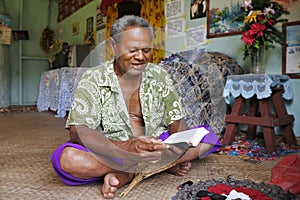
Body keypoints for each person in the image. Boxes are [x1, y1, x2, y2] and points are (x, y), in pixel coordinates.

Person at [50, 15, 220, 199]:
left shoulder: (159, 75)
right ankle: (154, 167)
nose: (140, 57)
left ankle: (127, 173)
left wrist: (179, 145)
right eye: (132, 50)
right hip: (112, 148)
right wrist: (128, 147)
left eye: (146, 50)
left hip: (157, 144)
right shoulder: (93, 78)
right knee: (68, 159)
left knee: (208, 137)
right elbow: (78, 132)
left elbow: (176, 121)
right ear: (113, 47)